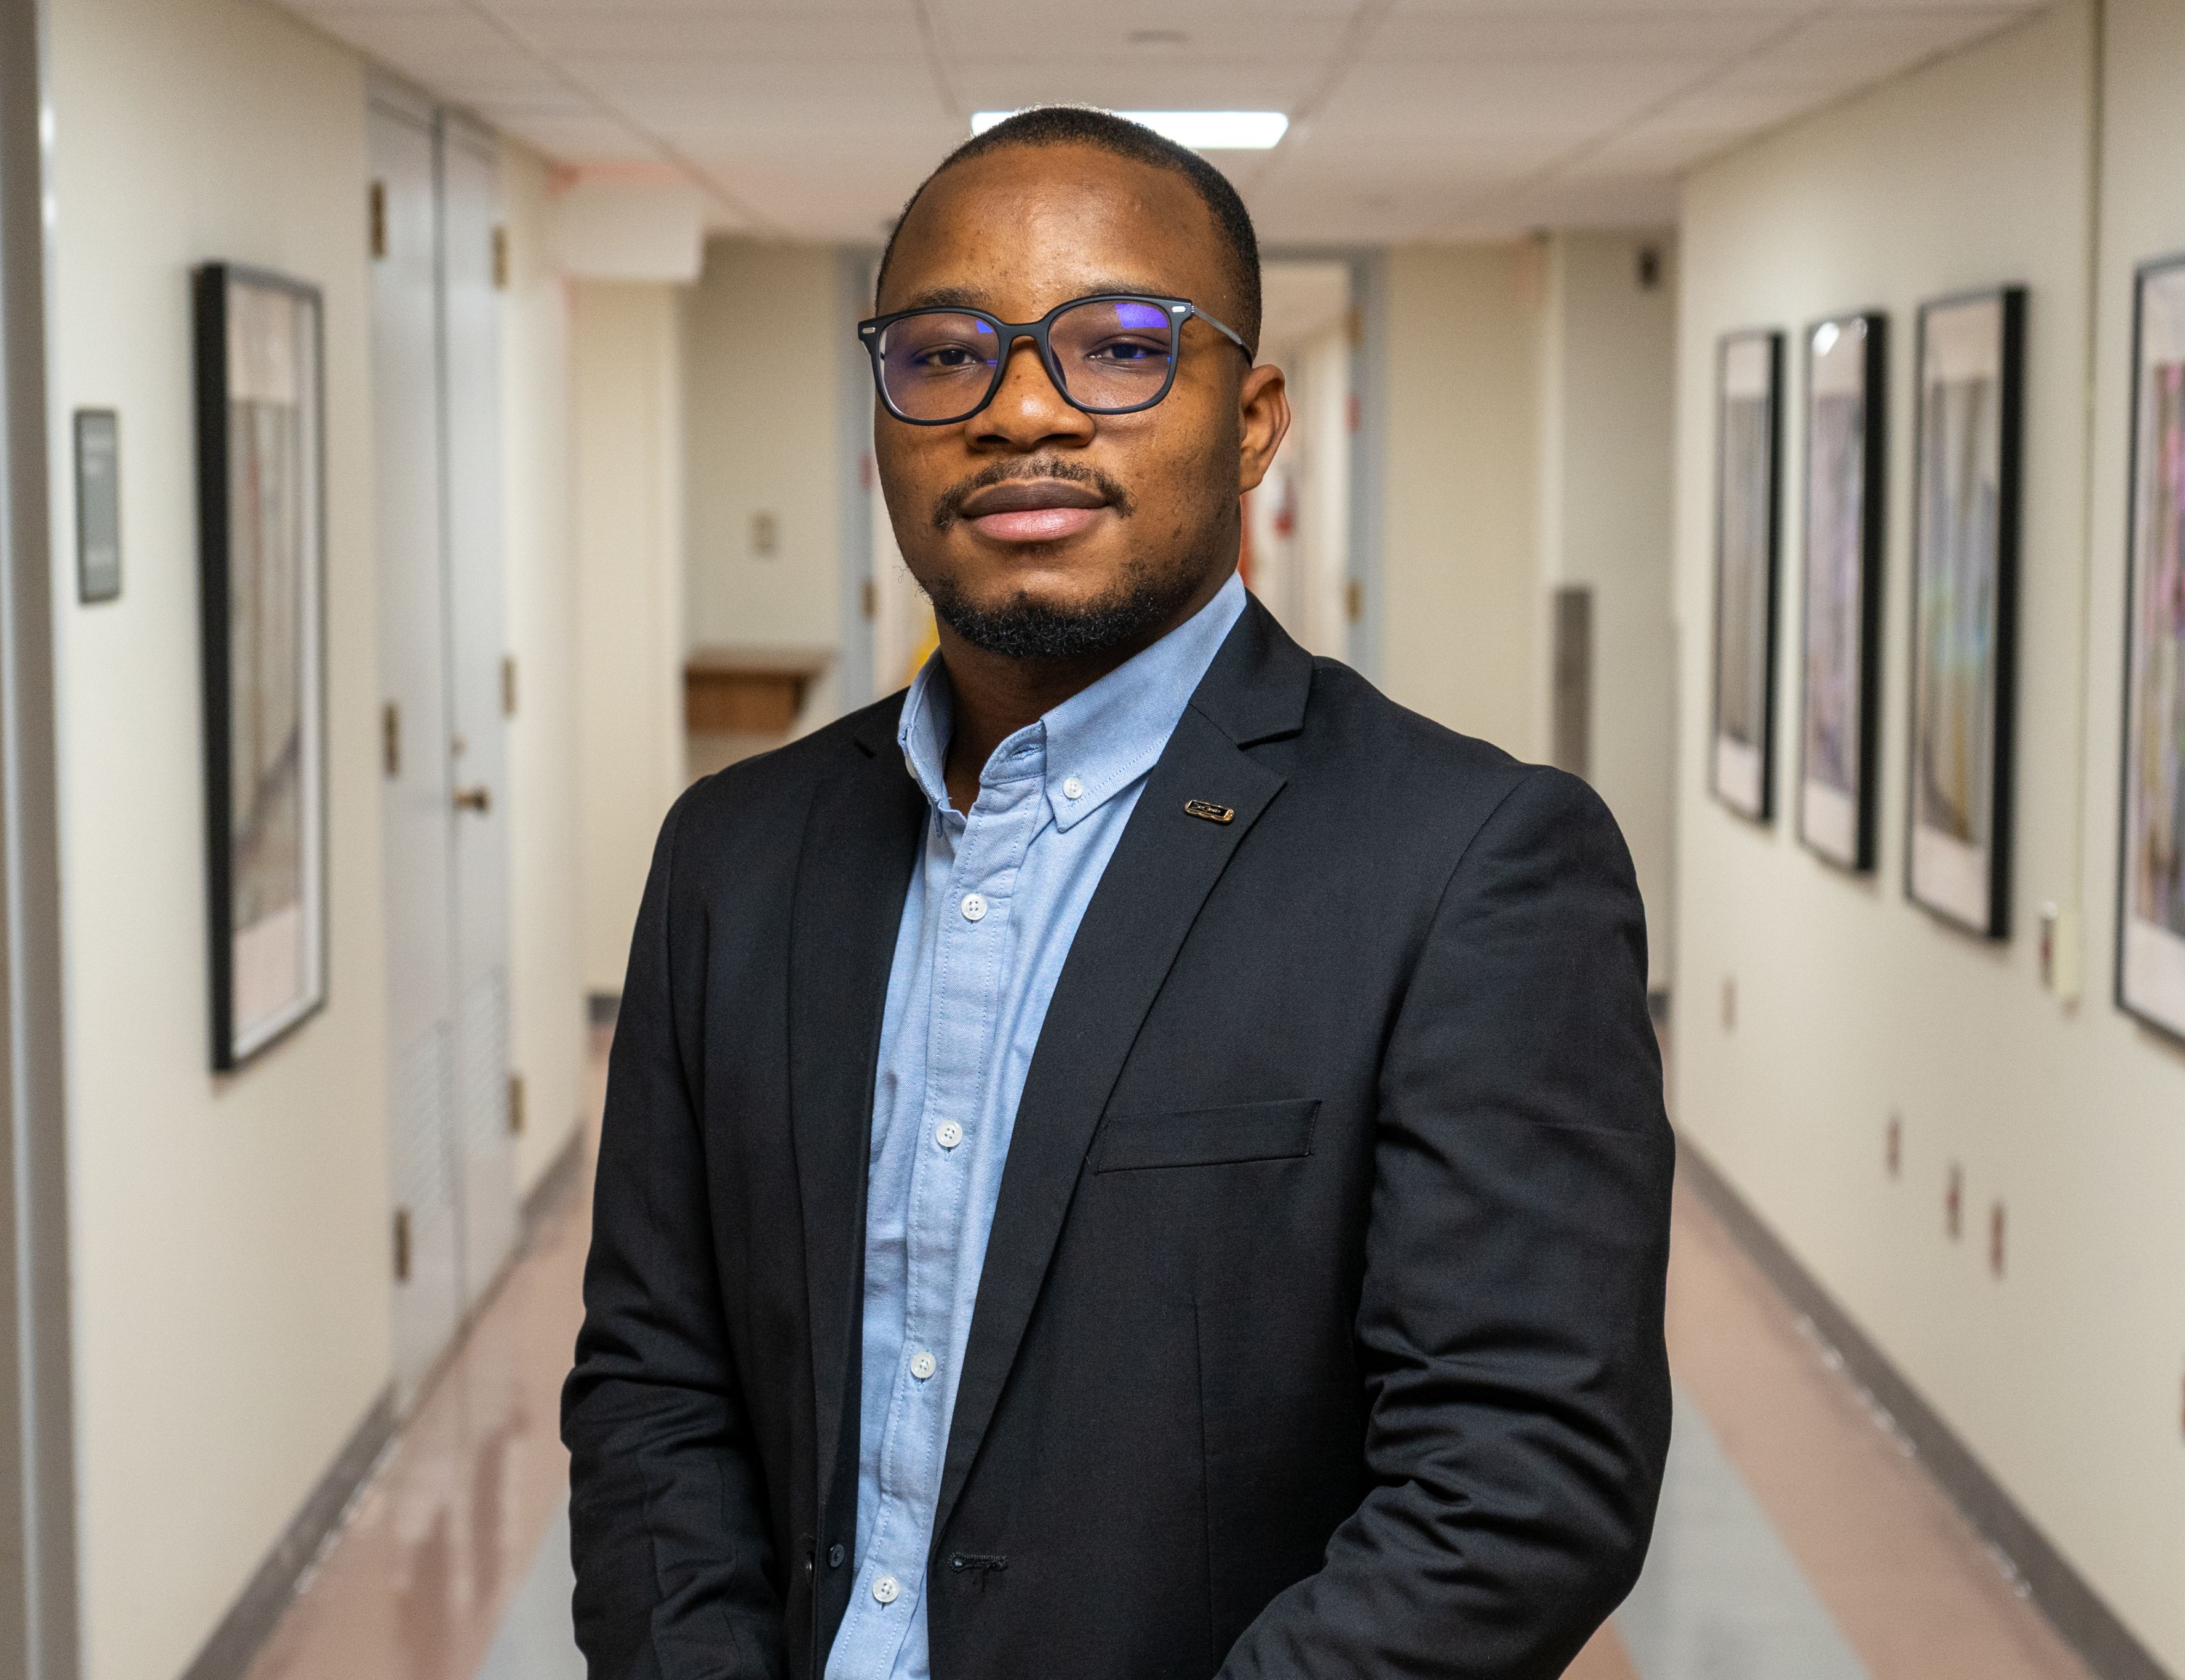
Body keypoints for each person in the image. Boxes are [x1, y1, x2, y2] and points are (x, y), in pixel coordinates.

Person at [563, 106, 1673, 1680]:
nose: (1022, 409)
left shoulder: (1467, 865)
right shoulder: (735, 858)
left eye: (1120, 346)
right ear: (881, 415)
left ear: (1254, 419)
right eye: (946, 353)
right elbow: (655, 1385)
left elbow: (1517, 1485)